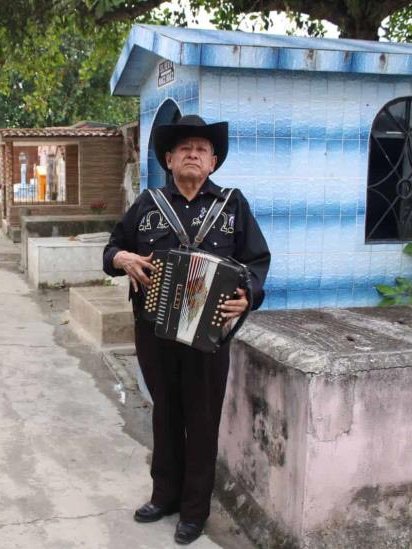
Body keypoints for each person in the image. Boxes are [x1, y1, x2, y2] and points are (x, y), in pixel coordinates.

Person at [103, 115, 270, 545]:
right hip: (154, 332)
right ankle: (164, 495)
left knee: (202, 419)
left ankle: (194, 511)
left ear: (213, 161)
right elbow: (112, 248)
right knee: (165, 412)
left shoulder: (232, 206)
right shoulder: (147, 204)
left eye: (202, 148)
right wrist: (122, 259)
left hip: (209, 337)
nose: (193, 153)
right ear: (168, 159)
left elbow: (256, 262)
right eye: (184, 148)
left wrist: (247, 295)